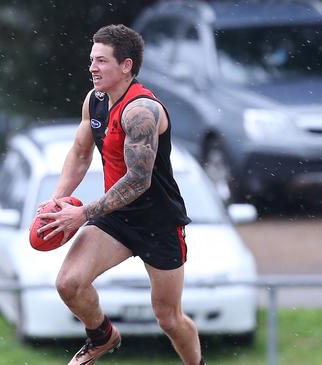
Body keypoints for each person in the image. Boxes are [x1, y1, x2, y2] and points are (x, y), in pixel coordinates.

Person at [36, 24, 205, 365]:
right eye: (91, 60)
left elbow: (138, 181)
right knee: (69, 283)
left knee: (168, 318)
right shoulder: (95, 101)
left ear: (126, 65)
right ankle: (102, 336)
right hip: (115, 216)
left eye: (101, 61)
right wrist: (57, 202)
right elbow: (81, 153)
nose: (92, 68)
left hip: (158, 221)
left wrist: (82, 214)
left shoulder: (141, 112)